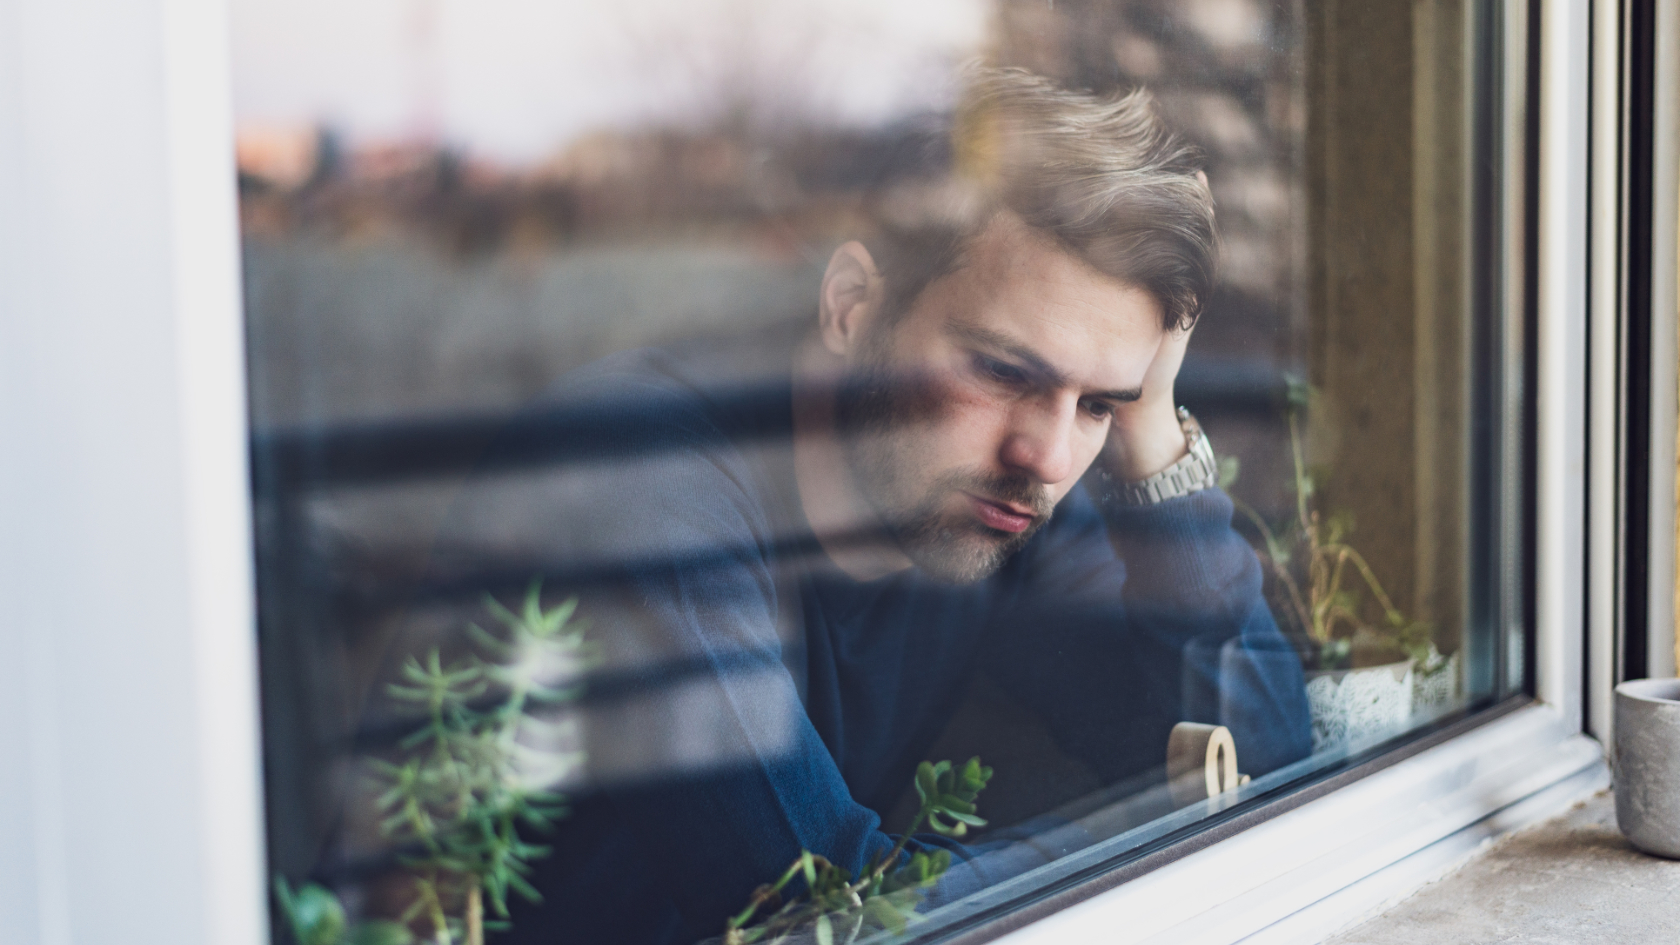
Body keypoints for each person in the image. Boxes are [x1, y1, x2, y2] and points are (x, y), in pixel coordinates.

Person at [404, 67, 1311, 945]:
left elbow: (1266, 756)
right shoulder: (640, 477)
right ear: (851, 306)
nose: (1047, 453)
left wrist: (1151, 429)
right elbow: (829, 912)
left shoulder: (999, 499)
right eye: (1002, 370)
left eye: (1098, 404)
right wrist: (1151, 833)